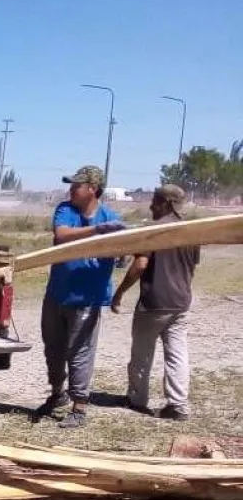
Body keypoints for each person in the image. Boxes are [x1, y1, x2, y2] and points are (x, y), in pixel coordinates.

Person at [36, 165, 125, 429]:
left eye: (77, 186)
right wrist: (97, 231)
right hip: (57, 294)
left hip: (87, 298)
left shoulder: (111, 217)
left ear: (93, 189)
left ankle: (79, 407)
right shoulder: (66, 210)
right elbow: (62, 235)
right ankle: (57, 394)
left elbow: (123, 252)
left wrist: (119, 245)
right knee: (53, 348)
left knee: (80, 352)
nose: (71, 190)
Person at [111, 185, 198, 421]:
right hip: (180, 302)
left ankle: (137, 399)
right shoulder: (193, 232)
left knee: (142, 354)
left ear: (166, 204)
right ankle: (178, 405)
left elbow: (140, 265)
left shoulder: (154, 230)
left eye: (155, 201)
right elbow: (191, 267)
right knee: (177, 355)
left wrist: (119, 293)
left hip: (154, 303)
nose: (151, 206)